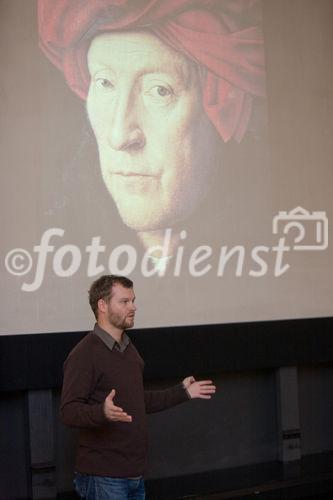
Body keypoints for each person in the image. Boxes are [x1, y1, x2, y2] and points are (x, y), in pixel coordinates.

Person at [38, 0, 266, 260]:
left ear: (223, 102)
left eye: (160, 90)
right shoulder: (61, 240)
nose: (120, 136)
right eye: (104, 83)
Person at [61, 274, 216, 499]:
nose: (133, 307)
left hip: (134, 475)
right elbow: (68, 412)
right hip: (103, 477)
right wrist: (101, 412)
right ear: (102, 305)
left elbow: (138, 401)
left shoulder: (129, 350)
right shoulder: (84, 354)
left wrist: (182, 393)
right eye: (124, 302)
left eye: (133, 300)